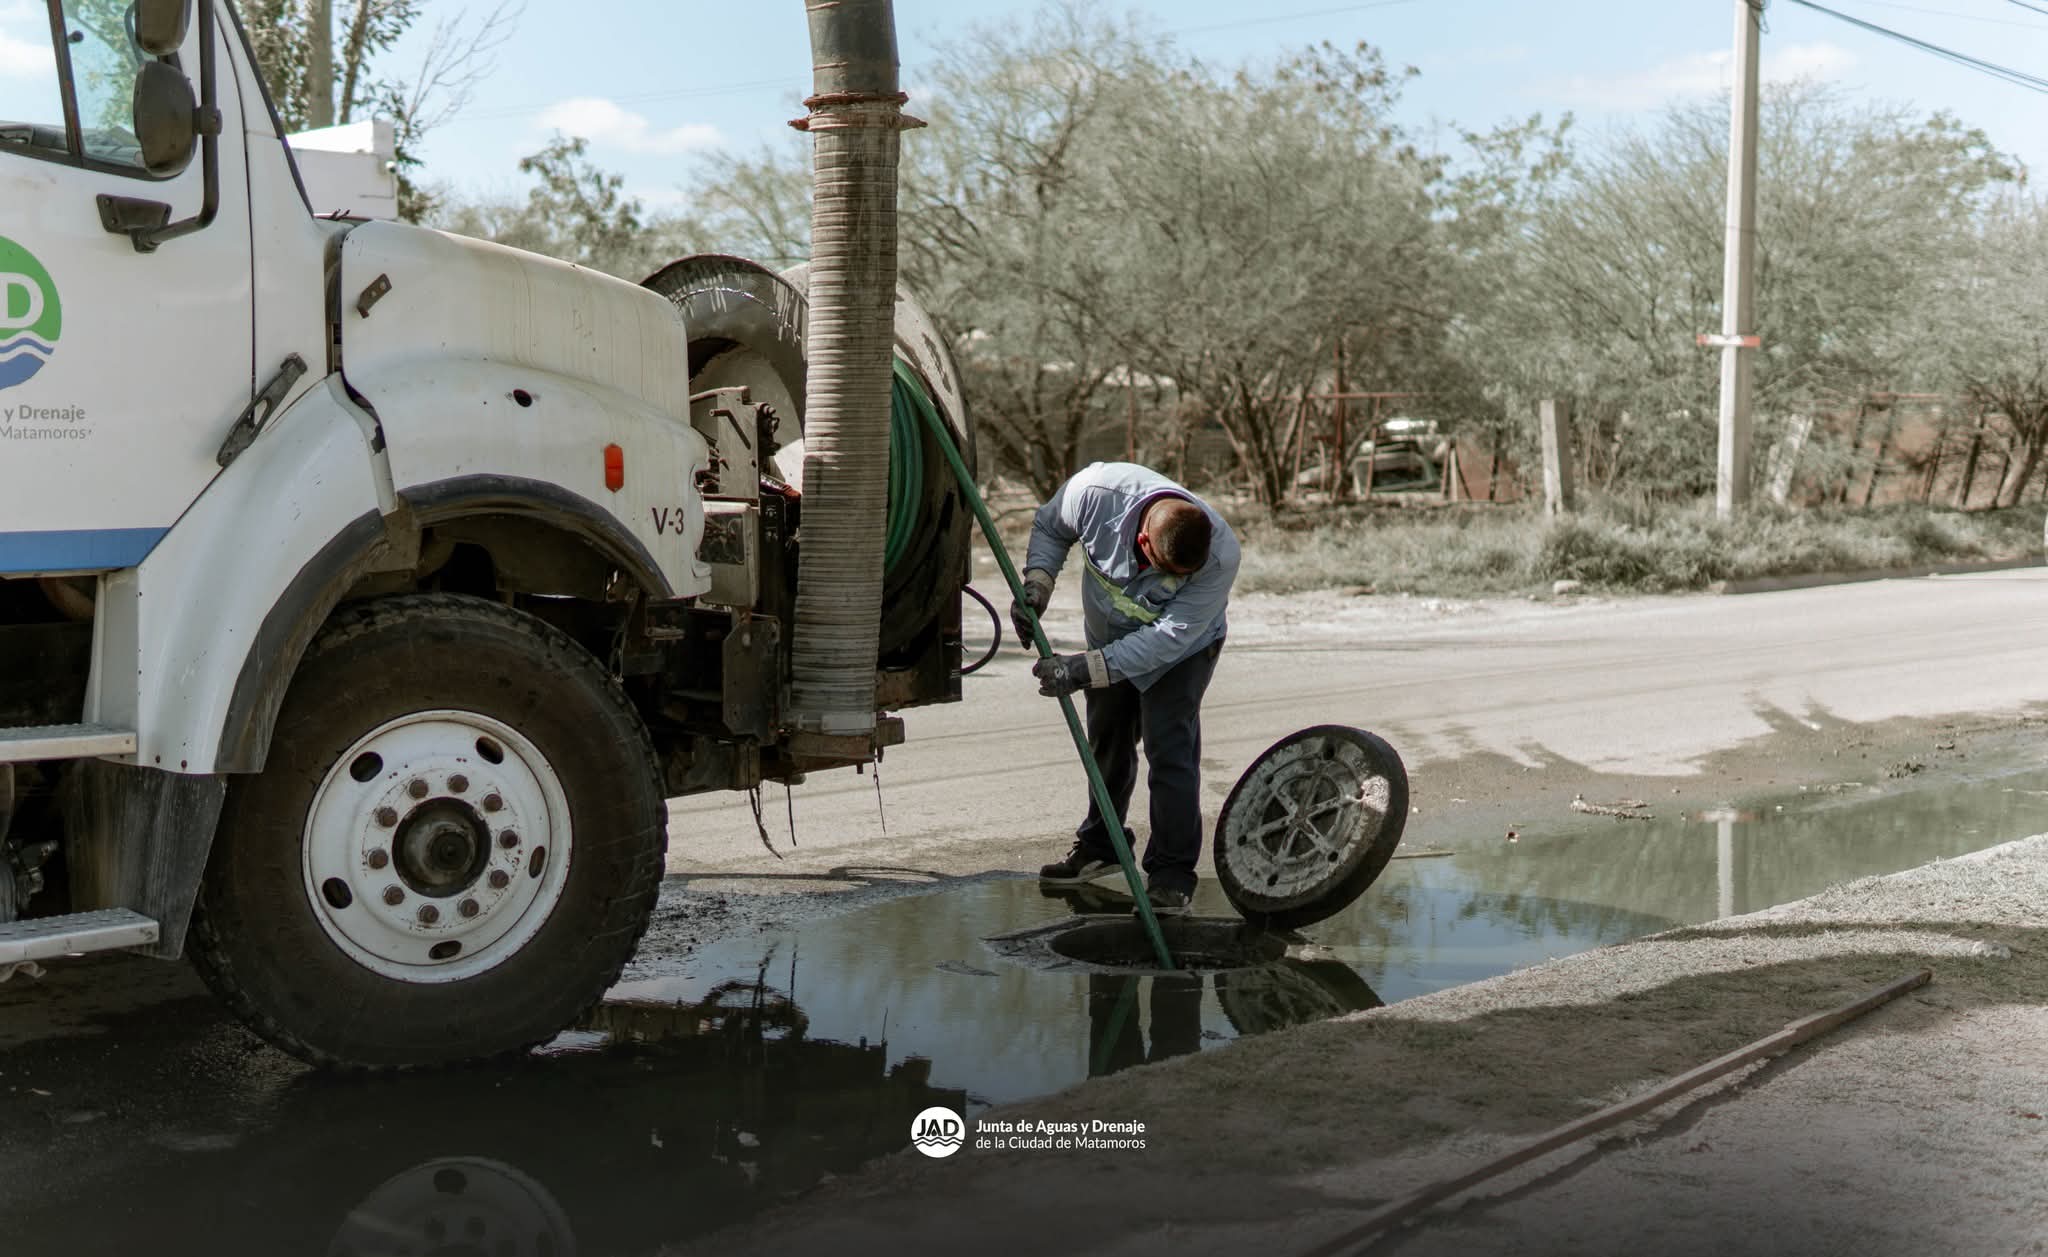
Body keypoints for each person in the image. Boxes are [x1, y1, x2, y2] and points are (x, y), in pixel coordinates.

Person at [1011, 461, 1240, 914]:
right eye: (1165, 571)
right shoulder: (1095, 490)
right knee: (1108, 741)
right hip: (1109, 636)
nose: (1172, 583)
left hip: (1181, 653)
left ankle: (1171, 876)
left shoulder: (1220, 556)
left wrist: (1080, 670)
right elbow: (1051, 527)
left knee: (1169, 749)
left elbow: (1166, 639)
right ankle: (1102, 846)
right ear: (1141, 541)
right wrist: (1038, 582)